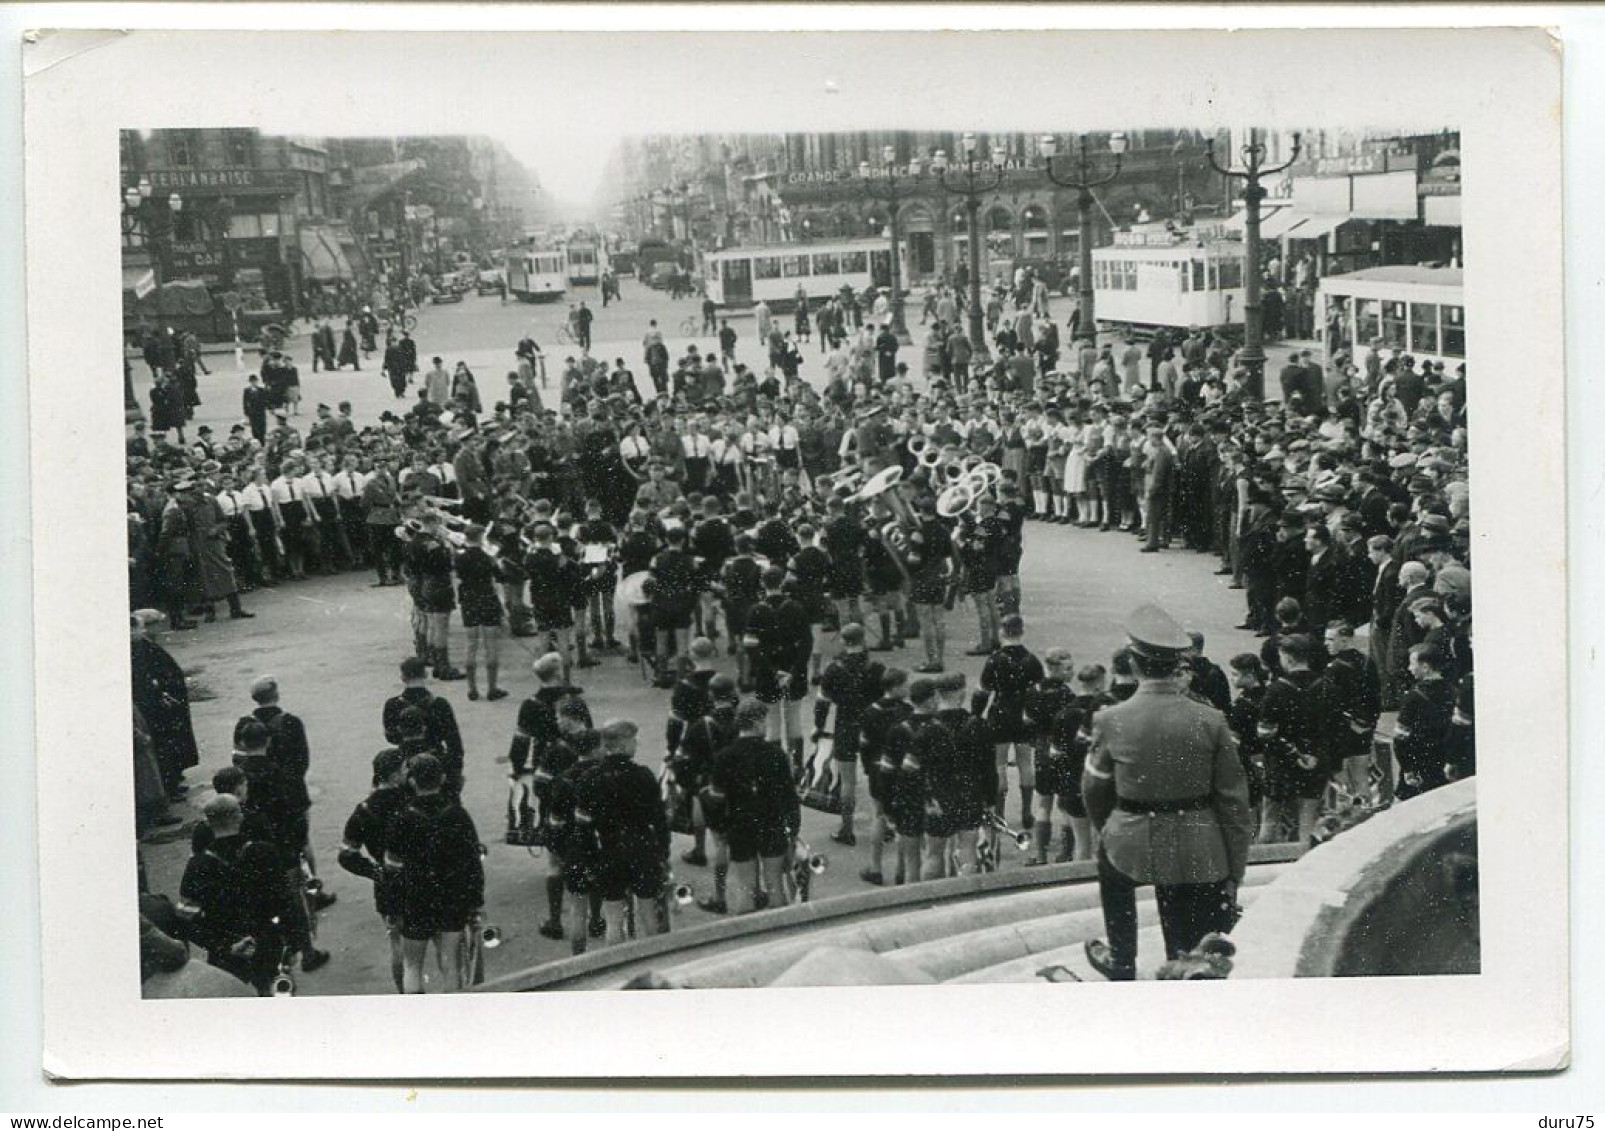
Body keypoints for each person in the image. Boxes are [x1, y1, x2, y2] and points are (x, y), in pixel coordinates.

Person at [1081, 604, 1253, 981]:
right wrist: (1233, 870)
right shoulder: (1212, 720)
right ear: (1177, 666)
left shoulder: (1111, 719)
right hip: (1197, 844)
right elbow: (1234, 802)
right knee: (1186, 935)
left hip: (1131, 839)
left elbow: (1093, 790)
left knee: (1111, 869)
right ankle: (1184, 961)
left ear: (1135, 663)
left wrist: (1110, 828)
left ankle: (1122, 958)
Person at [383, 753, 485, 993]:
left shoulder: (402, 819)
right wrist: (476, 903)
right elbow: (473, 864)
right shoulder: (458, 815)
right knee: (450, 962)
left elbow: (392, 869)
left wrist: (393, 906)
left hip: (416, 899)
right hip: (452, 897)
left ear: (412, 781)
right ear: (441, 778)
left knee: (413, 965)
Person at [574, 719, 670, 945]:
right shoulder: (644, 775)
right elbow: (659, 820)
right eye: (634, 740)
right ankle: (652, 957)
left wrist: (590, 860)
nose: (636, 744)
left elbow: (584, 827)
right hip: (642, 848)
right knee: (648, 911)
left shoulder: (589, 779)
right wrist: (662, 851)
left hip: (609, 849)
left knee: (613, 917)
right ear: (623, 745)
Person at [709, 699, 801, 915]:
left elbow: (716, 799)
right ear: (758, 722)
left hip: (740, 826)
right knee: (775, 885)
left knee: (746, 889)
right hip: (771, 822)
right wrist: (793, 829)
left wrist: (721, 829)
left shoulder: (724, 757)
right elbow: (789, 796)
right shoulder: (776, 754)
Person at [336, 747, 412, 992]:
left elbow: (347, 854)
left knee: (397, 944)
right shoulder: (411, 800)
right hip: (420, 877)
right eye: (404, 768)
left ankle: (405, 995)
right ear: (392, 776)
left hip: (388, 884)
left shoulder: (364, 810)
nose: (408, 772)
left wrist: (374, 871)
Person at [817, 623, 883, 847]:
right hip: (872, 726)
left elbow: (822, 701)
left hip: (845, 724)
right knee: (876, 776)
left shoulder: (834, 669)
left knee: (847, 781)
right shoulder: (875, 667)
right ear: (864, 639)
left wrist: (818, 727)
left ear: (844, 642)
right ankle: (882, 825)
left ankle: (847, 829)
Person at [978, 614, 1045, 829]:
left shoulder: (995, 660)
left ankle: (1000, 814)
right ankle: (1026, 812)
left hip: (1000, 711)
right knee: (1025, 763)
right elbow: (1038, 687)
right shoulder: (1032, 660)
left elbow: (984, 689)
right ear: (1022, 631)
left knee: (999, 764)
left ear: (1001, 632)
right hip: (1024, 713)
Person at [381, 657, 466, 792]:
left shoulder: (392, 705)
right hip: (435, 759)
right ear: (425, 674)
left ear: (403, 677)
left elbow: (391, 738)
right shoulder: (440, 704)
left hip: (405, 761)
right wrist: (454, 775)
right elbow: (455, 745)